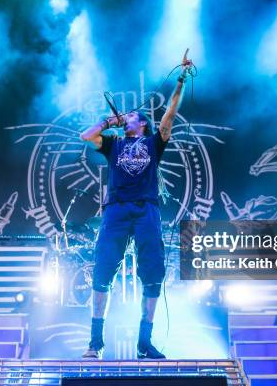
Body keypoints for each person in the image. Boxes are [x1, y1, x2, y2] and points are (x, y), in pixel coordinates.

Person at [79, 50, 192, 359]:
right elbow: (85, 135)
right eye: (124, 116)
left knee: (153, 272)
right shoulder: (114, 143)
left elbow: (169, 114)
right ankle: (94, 343)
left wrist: (180, 79)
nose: (126, 117)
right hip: (116, 209)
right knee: (103, 271)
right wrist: (107, 121)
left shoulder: (154, 141)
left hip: (146, 208)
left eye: (130, 116)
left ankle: (145, 341)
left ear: (141, 124)